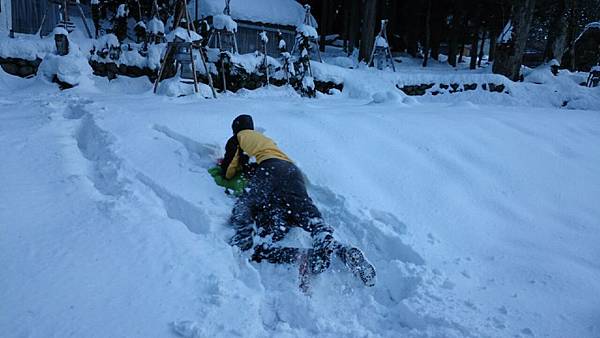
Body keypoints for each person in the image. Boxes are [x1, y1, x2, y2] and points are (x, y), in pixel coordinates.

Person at [219, 114, 376, 286]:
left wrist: (225, 168)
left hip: (270, 170)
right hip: (292, 172)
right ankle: (331, 244)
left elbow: (229, 169)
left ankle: (243, 238)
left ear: (236, 128)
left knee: (245, 205)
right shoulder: (265, 141)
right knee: (302, 210)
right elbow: (264, 162)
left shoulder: (239, 137)